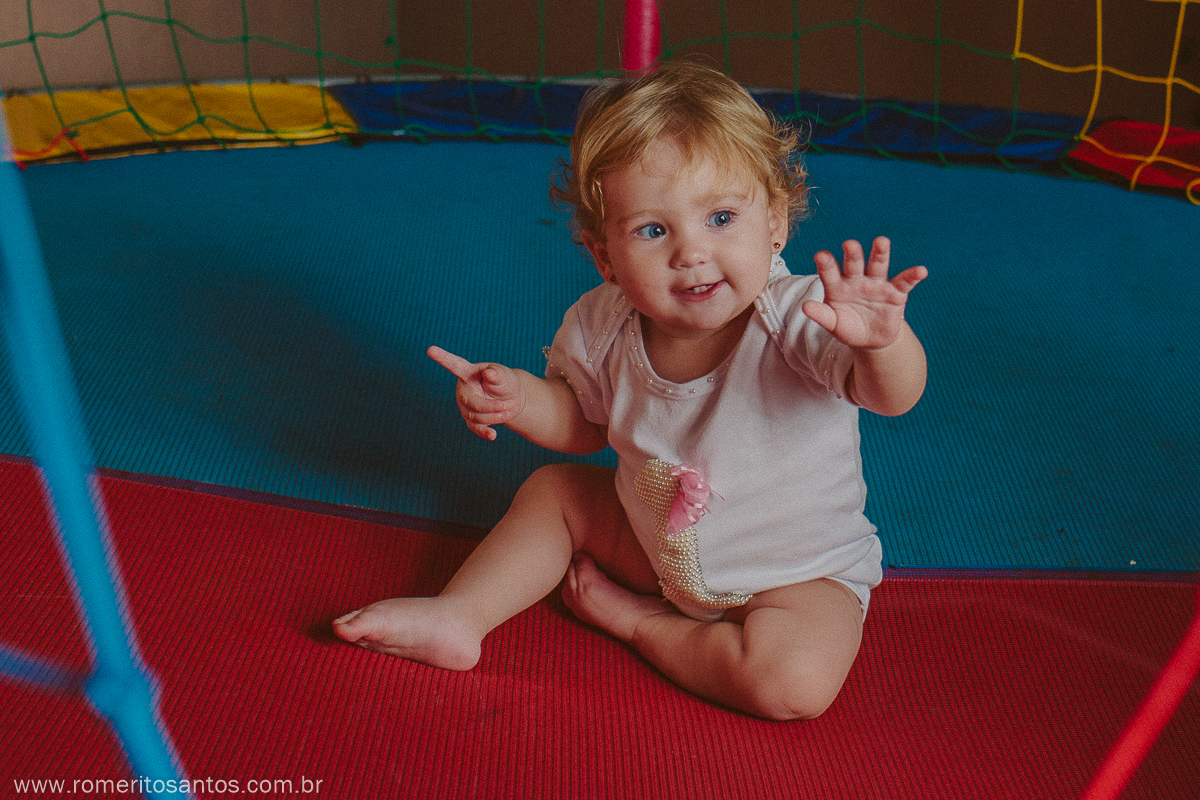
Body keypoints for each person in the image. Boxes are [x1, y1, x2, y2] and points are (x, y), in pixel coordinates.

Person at [334, 61, 928, 720]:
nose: (691, 251)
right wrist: (521, 399)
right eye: (653, 230)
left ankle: (642, 626)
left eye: (722, 217)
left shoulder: (801, 315)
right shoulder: (600, 324)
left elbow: (889, 396)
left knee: (793, 685)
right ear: (604, 257)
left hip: (794, 575)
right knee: (553, 492)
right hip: (653, 543)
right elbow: (584, 423)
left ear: (777, 223)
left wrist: (882, 344)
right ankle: (459, 615)